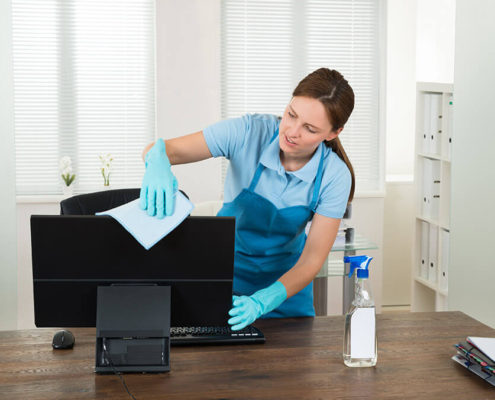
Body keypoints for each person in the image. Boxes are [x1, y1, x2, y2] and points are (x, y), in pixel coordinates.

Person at [139, 68, 355, 331]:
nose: (292, 131)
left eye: (309, 129)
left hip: (285, 293)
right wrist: (157, 160)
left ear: (333, 133)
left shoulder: (335, 176)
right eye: (291, 115)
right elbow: (162, 149)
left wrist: (264, 301)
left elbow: (312, 260)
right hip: (221, 280)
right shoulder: (248, 132)